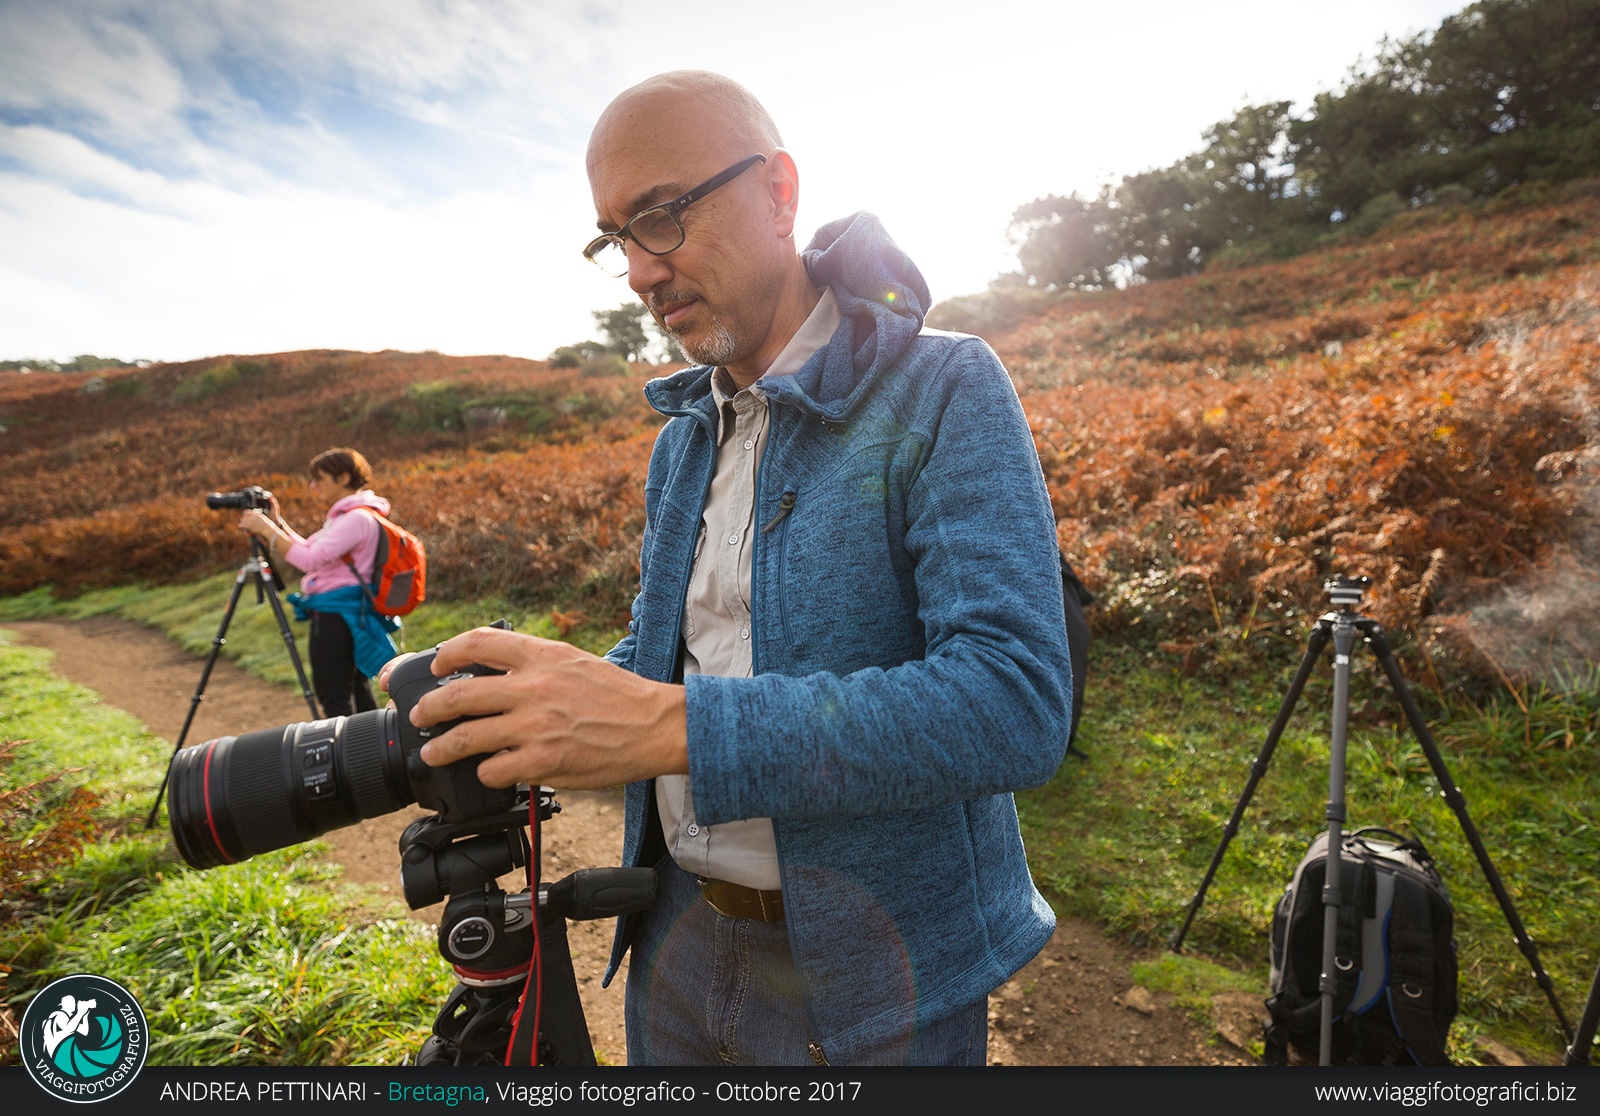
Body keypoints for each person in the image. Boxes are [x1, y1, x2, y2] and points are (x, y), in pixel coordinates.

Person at [391, 70, 1071, 1066]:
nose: (639, 271)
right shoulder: (683, 438)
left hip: (879, 984)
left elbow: (1012, 703)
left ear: (778, 192)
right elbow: (677, 651)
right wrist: (533, 704)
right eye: (615, 238)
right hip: (671, 945)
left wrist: (665, 727)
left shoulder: (943, 386)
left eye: (660, 216)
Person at [240, 447, 399, 717]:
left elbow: (310, 560)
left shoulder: (356, 518)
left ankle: (349, 745)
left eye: (319, 479)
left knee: (335, 695)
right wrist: (276, 523)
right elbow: (309, 549)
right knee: (355, 690)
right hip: (347, 611)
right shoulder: (351, 516)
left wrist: (266, 529)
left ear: (343, 478)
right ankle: (373, 742)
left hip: (338, 614)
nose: (313, 486)